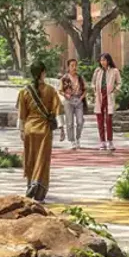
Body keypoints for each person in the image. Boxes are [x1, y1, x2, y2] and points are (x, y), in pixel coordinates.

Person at [17, 61, 63, 201]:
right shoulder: (50, 90)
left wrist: (20, 130)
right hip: (44, 130)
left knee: (30, 158)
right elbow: (57, 110)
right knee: (42, 160)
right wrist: (61, 127)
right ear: (43, 73)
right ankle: (38, 186)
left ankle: (30, 183)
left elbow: (21, 115)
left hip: (29, 129)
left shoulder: (24, 91)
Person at [91, 53, 121, 151]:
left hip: (109, 95)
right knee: (100, 120)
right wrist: (95, 91)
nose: (102, 62)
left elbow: (119, 83)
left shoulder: (114, 71)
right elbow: (93, 83)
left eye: (104, 60)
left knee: (108, 120)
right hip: (99, 96)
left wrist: (114, 91)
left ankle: (110, 141)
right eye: (101, 60)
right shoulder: (97, 71)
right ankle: (102, 142)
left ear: (108, 60)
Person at [59, 59, 87, 150]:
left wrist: (81, 98)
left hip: (78, 99)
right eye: (72, 65)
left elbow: (85, 90)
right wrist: (65, 95)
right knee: (70, 122)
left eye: (75, 65)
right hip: (68, 100)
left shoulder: (80, 77)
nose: (74, 67)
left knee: (80, 121)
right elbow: (60, 90)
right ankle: (72, 141)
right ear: (68, 67)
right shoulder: (64, 78)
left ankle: (78, 138)